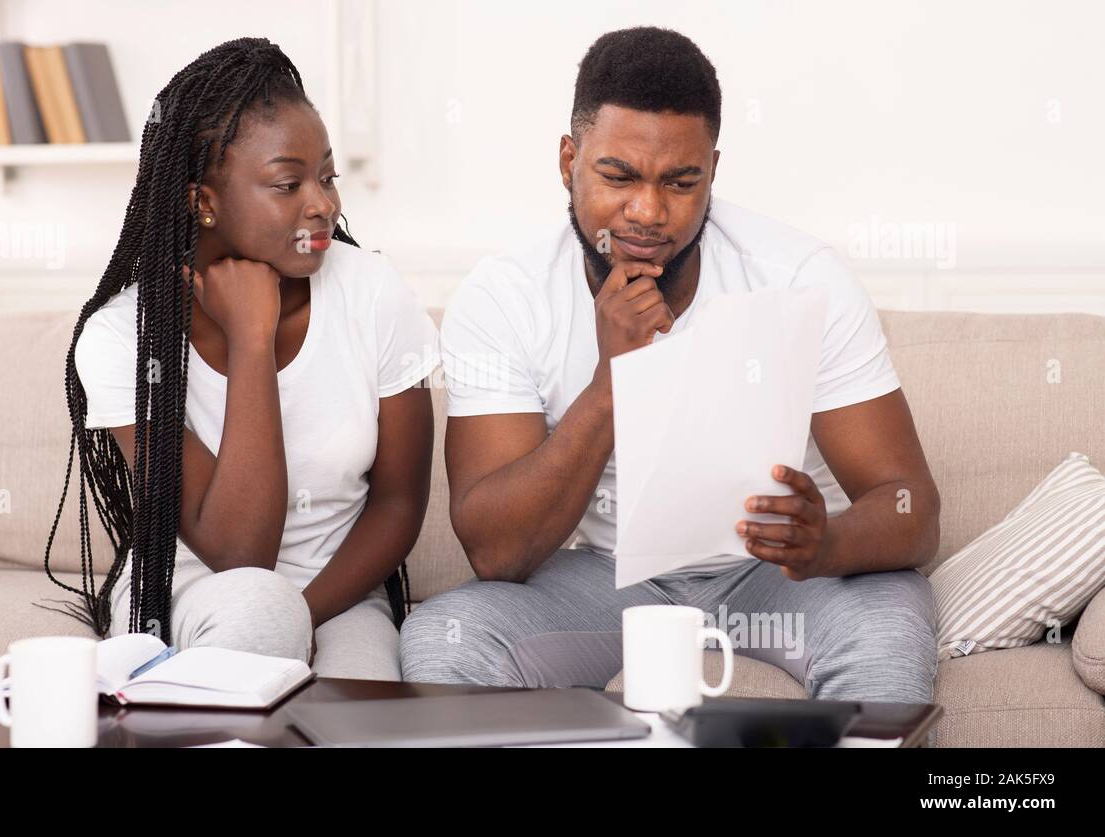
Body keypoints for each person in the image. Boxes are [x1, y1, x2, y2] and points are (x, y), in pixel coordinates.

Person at [400, 26, 940, 702]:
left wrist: (825, 540)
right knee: (448, 637)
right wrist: (611, 384)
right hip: (609, 582)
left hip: (778, 578)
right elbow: (496, 553)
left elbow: (913, 509)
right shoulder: (505, 296)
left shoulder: (803, 278)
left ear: (712, 171)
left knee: (889, 628)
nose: (648, 212)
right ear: (569, 161)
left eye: (680, 182)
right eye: (617, 176)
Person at [45, 38, 439, 681]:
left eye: (328, 177)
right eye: (289, 184)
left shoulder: (371, 291)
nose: (323, 205)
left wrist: (303, 619)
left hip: (337, 600)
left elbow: (398, 504)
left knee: (360, 703)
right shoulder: (123, 338)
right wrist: (252, 339)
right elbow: (240, 552)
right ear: (203, 201)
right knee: (259, 612)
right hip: (184, 597)